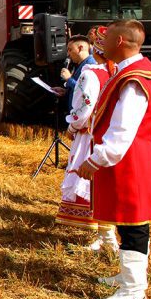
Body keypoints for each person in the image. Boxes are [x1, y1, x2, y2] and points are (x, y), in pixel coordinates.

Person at [77, 20, 151, 299]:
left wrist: (95, 159)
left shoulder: (134, 78)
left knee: (133, 225)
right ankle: (128, 277)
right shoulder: (133, 71)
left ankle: (133, 290)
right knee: (127, 223)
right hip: (131, 161)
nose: (101, 43)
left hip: (130, 163)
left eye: (108, 37)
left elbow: (122, 129)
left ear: (120, 43)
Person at [54, 31, 117, 251]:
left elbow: (84, 108)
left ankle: (108, 240)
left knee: (91, 183)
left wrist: (72, 125)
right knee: (101, 184)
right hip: (104, 133)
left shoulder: (90, 74)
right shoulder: (113, 72)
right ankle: (105, 235)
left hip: (89, 134)